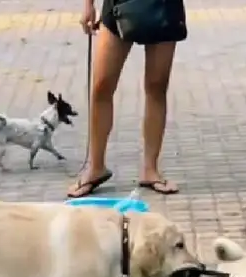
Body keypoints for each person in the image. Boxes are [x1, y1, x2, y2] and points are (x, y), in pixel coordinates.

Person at [67, 0, 187, 198]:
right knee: (101, 86)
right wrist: (88, 5)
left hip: (164, 6)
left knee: (156, 86)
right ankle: (96, 167)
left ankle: (150, 170)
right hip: (117, 5)